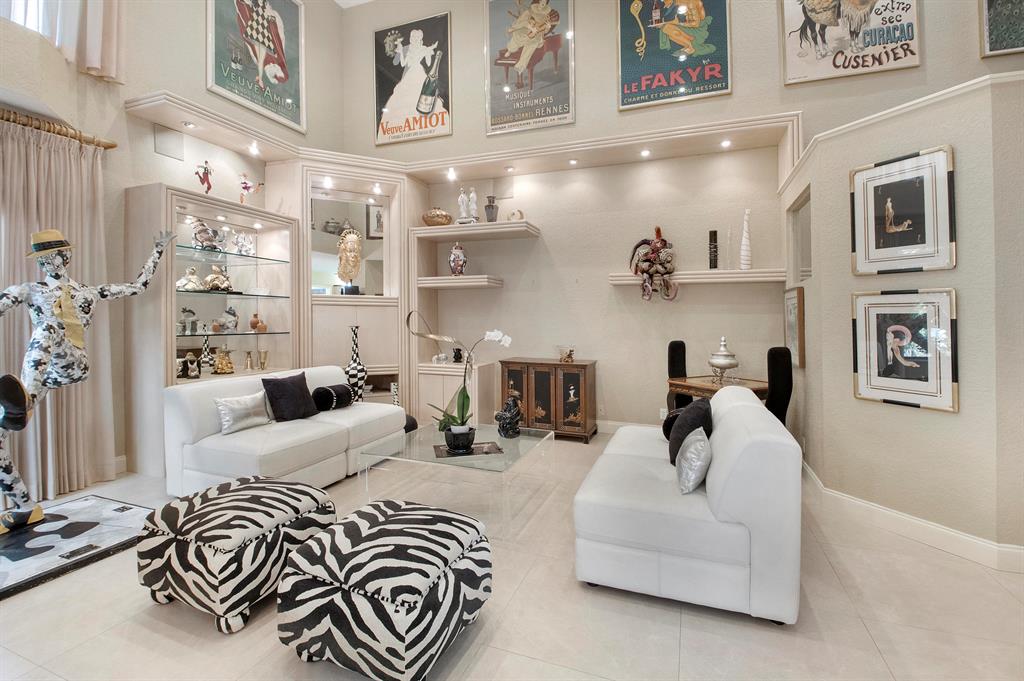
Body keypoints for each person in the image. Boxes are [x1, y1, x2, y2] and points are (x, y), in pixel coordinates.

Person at [0, 228, 175, 534]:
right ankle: (24, 505)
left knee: (48, 328)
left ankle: (22, 403)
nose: (46, 263)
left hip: (73, 363)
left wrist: (157, 250)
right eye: (41, 259)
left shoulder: (88, 293)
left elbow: (138, 286)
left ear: (66, 256)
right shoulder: (30, 290)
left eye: (52, 256)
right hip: (42, 373)